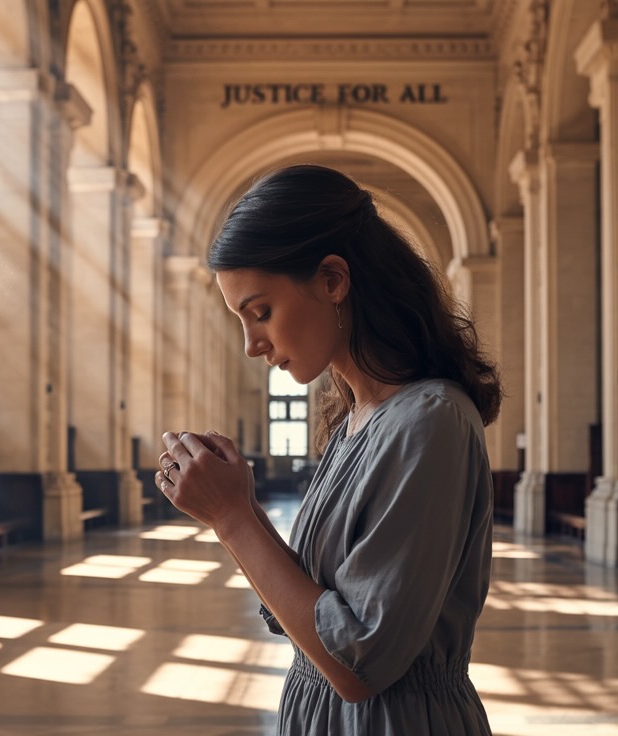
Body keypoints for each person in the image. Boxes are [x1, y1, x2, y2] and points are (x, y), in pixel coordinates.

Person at [156, 164, 501, 735]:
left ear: (333, 280)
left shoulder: (429, 420)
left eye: (260, 312)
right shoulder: (354, 423)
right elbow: (316, 612)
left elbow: (359, 662)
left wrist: (232, 517)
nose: (251, 344)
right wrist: (239, 504)